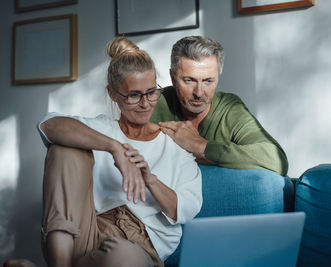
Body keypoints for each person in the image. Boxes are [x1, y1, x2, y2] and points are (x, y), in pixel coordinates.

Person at [4, 37, 202, 267]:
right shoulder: (101, 129)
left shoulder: (174, 145)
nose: (146, 103)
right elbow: (49, 125)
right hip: (85, 234)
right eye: (134, 95)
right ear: (113, 94)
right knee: (64, 147)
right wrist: (113, 147)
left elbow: (186, 211)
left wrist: (150, 179)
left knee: (122, 259)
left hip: (139, 245)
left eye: (151, 92)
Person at [151, 36, 289, 176]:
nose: (199, 93)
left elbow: (277, 161)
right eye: (189, 80)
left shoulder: (229, 109)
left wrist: (200, 146)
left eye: (208, 81)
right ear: (173, 78)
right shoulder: (151, 102)